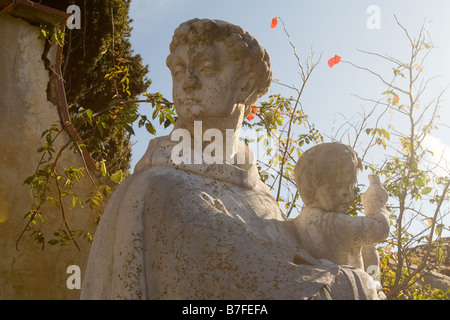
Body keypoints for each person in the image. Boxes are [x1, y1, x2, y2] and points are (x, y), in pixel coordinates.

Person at [81, 19, 380, 300]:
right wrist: (357, 283)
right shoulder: (161, 187)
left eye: (208, 68)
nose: (188, 82)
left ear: (246, 85)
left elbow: (298, 269)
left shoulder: (259, 195)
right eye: (179, 71)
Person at [292, 142, 390, 272]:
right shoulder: (332, 223)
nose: (347, 194)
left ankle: (375, 287)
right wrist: (376, 203)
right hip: (347, 281)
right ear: (311, 185)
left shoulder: (299, 222)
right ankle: (374, 287)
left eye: (351, 186)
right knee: (369, 246)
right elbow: (379, 229)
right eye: (338, 186)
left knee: (368, 248)